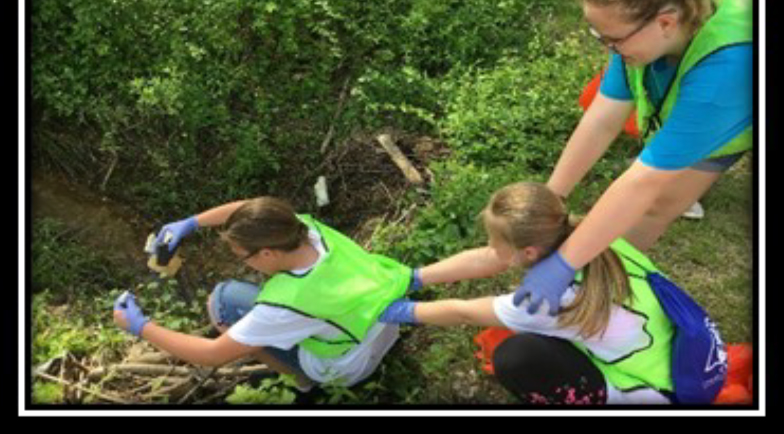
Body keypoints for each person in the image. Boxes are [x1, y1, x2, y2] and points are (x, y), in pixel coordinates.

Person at [513, 0, 752, 315]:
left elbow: (647, 181)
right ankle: (590, 277)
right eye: (599, 37)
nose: (608, 49)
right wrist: (549, 201)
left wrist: (562, 264)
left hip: (733, 97)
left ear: (666, 22)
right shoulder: (635, 33)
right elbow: (602, 119)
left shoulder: (729, 69)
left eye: (613, 41)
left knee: (658, 203)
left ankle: (602, 283)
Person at [380, 182, 682, 405]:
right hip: (680, 355)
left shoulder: (541, 304)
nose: (488, 244)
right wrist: (416, 278)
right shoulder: (596, 237)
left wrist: (400, 311)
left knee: (515, 357)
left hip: (653, 393)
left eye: (492, 238)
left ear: (528, 251)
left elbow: (464, 312)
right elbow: (489, 257)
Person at [113, 196, 413, 392]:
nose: (242, 260)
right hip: (381, 330)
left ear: (267, 253)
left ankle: (304, 383)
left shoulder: (286, 303)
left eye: (243, 256)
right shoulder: (306, 229)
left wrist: (141, 327)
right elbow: (253, 210)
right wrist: (191, 223)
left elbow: (211, 354)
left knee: (222, 302)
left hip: (344, 368)